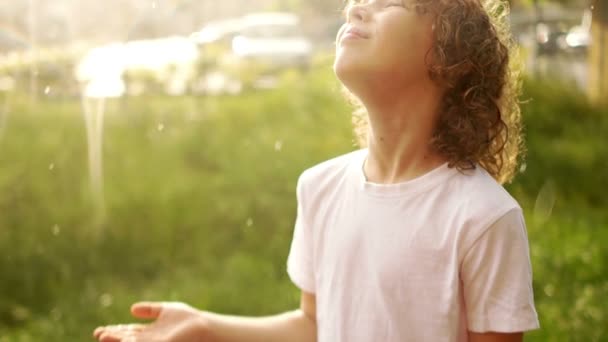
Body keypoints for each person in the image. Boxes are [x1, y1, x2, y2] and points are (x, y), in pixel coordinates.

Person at [93, 0, 540, 341]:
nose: (356, 8)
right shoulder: (320, 187)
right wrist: (205, 325)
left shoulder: (483, 218)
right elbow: (314, 324)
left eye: (390, 2)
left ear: (448, 57)